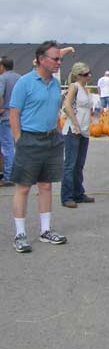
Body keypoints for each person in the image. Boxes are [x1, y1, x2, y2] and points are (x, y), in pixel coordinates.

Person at [9, 40, 67, 253]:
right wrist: (18, 140)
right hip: (29, 139)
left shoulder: (54, 83)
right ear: (42, 60)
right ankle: (20, 234)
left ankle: (45, 230)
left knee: (46, 186)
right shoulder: (25, 82)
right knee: (23, 187)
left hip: (51, 139)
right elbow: (14, 112)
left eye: (60, 58)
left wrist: (58, 132)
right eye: (55, 58)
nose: (59, 62)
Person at [61, 62, 95, 208]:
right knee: (70, 164)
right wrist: (75, 123)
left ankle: (79, 193)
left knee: (79, 164)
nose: (89, 76)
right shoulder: (74, 87)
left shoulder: (86, 89)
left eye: (89, 73)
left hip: (84, 130)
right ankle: (67, 196)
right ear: (78, 75)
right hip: (73, 130)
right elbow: (67, 106)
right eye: (86, 74)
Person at [0, 56, 21, 186]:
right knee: (16, 145)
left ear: (2, 66)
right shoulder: (20, 78)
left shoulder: (3, 78)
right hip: (18, 116)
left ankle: (8, 175)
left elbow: (0, 94)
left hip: (5, 116)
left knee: (7, 147)